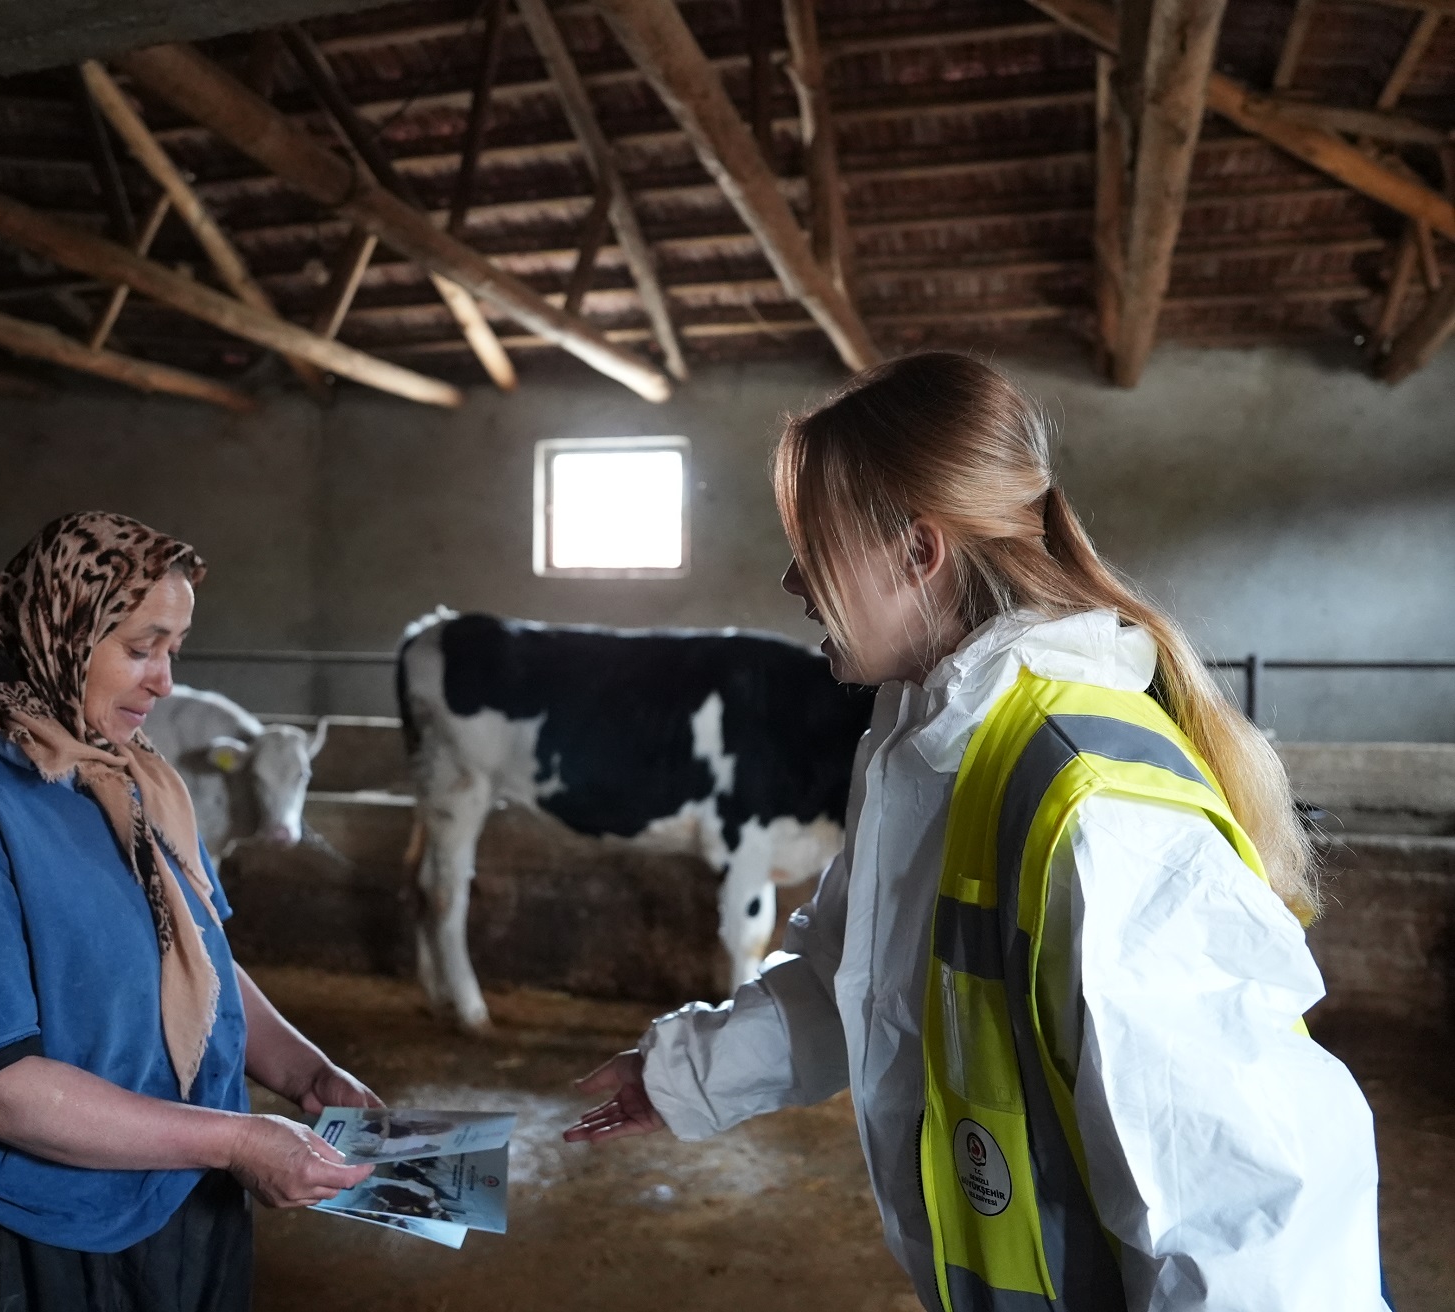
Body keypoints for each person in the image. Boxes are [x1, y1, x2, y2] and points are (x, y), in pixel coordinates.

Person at [564, 354, 1390, 1311]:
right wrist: (681, 1075)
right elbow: (858, 978)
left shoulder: (1095, 808)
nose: (793, 580)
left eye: (814, 544)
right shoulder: (929, 741)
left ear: (920, 553)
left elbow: (1239, 1219)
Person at [0, 511, 380, 1312]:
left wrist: (304, 1071)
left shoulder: (132, 781)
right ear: (58, 634)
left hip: (176, 1207)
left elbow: (197, 958)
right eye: (141, 649)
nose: (165, 681)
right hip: (19, 1236)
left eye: (175, 650)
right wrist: (237, 1139)